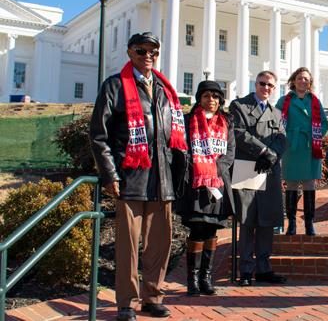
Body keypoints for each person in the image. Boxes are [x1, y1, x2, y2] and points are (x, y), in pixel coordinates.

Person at [89, 32, 187, 321]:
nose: (148, 56)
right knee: (129, 247)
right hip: (130, 178)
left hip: (162, 178)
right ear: (130, 52)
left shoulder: (164, 89)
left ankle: (152, 298)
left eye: (153, 51)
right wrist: (110, 175)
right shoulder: (115, 86)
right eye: (141, 50)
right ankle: (126, 304)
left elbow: (172, 135)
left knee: (159, 245)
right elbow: (98, 135)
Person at [174, 81, 235, 296]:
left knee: (211, 230)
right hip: (196, 182)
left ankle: (206, 278)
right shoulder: (188, 120)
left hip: (217, 182)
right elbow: (183, 148)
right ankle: (191, 279)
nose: (212, 101)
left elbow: (230, 152)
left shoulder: (227, 122)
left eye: (216, 97)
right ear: (199, 98)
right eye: (207, 96)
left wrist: (214, 170)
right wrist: (201, 167)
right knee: (197, 229)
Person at [230, 70, 287, 286]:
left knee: (266, 221)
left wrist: (271, 156)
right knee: (247, 220)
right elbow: (239, 132)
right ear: (256, 84)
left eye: (271, 86)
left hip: (269, 170)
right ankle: (245, 270)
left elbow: (281, 137)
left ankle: (264, 268)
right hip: (248, 167)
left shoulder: (276, 112)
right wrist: (263, 152)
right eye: (263, 84)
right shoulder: (239, 105)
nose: (266, 88)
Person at [276, 67, 328, 236]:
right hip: (292, 146)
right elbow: (276, 122)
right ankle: (291, 223)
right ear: (294, 80)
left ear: (310, 82)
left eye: (306, 79)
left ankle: (309, 223)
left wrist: (315, 137)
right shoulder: (284, 100)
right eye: (300, 78)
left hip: (309, 147)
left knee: (309, 184)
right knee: (291, 184)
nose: (303, 81)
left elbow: (325, 123)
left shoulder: (315, 100)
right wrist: (288, 137)